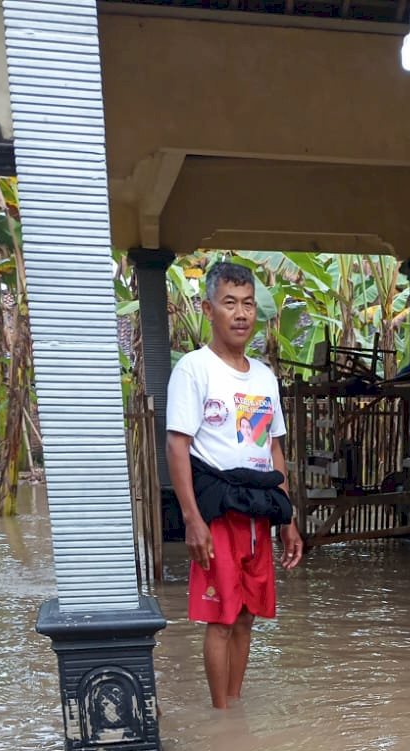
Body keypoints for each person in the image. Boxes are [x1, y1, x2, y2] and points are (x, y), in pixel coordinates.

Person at [166, 260, 304, 710]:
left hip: (258, 512)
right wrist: (192, 520)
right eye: (230, 304)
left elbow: (273, 452)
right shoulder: (194, 369)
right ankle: (221, 715)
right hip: (217, 513)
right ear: (209, 309)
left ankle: (234, 704)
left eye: (248, 304)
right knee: (221, 619)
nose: (241, 314)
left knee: (246, 617)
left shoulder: (264, 378)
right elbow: (177, 446)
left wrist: (287, 520)